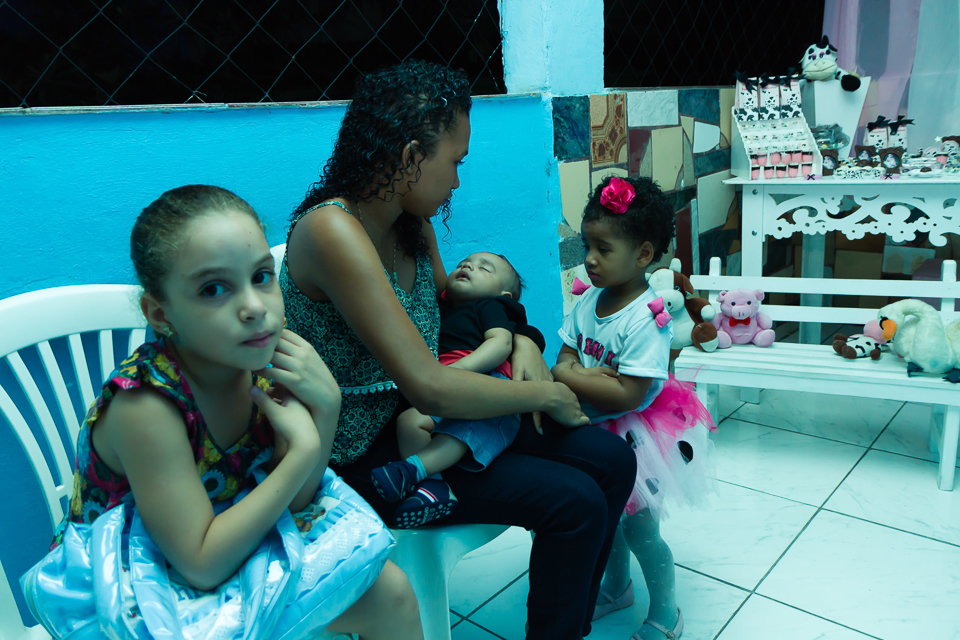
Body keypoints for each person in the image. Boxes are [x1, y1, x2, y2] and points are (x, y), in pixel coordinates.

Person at [280, 59, 637, 640]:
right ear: (410, 157)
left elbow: (455, 310)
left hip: (429, 420)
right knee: (574, 502)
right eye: (454, 162)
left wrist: (523, 336)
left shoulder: (409, 223)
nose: (457, 181)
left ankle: (570, 616)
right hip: (367, 454)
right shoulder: (332, 231)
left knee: (613, 460)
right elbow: (427, 383)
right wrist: (545, 392)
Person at [50, 185, 423, 640]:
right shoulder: (146, 406)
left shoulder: (262, 364)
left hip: (223, 544)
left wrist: (326, 408)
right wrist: (303, 451)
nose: (253, 308)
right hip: (129, 583)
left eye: (262, 277)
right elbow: (200, 565)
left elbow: (299, 501)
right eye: (214, 289)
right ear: (161, 314)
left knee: (390, 591)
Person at [552, 176, 717, 640]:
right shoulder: (588, 301)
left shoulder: (646, 318)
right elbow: (564, 358)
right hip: (589, 423)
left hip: (635, 436)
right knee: (606, 520)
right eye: (588, 245)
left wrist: (574, 377)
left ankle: (667, 611)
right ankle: (617, 587)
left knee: (641, 530)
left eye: (603, 249)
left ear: (643, 254)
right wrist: (579, 376)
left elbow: (627, 394)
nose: (589, 258)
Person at [371, 251, 528, 527]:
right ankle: (433, 488)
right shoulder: (439, 311)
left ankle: (414, 468)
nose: (468, 265)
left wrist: (458, 372)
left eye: (484, 268)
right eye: (463, 263)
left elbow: (500, 343)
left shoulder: (490, 307)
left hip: (490, 386)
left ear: (504, 296)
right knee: (409, 421)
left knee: (463, 427)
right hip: (447, 387)